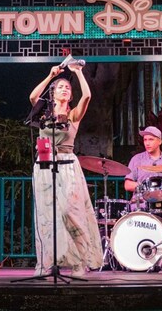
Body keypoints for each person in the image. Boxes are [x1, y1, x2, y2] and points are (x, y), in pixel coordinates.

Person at [28, 60, 103, 277]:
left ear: (70, 95)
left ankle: (80, 263)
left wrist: (78, 74)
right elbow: (33, 97)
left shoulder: (72, 115)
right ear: (52, 94)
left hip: (67, 164)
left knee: (72, 212)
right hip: (43, 164)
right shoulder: (43, 114)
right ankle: (45, 263)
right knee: (45, 216)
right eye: (60, 87)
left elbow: (87, 97)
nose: (64, 89)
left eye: (67, 88)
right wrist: (51, 76)